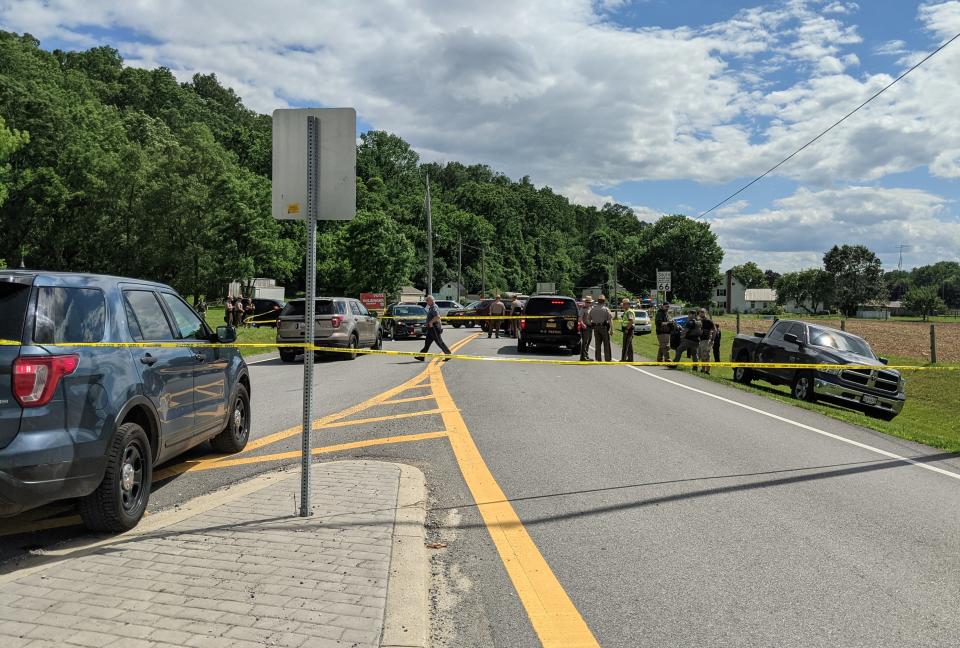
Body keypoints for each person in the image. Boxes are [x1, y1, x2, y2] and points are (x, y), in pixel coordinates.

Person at [415, 295, 451, 361]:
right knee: (427, 343)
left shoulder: (434, 307)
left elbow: (437, 317)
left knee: (439, 342)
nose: (426, 302)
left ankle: (448, 354)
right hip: (431, 328)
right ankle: (421, 356)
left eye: (427, 300)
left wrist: (431, 322)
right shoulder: (431, 307)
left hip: (434, 327)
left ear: (431, 300)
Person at [589, 294, 613, 362]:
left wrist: (591, 325)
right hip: (604, 328)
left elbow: (588, 319)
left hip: (596, 328)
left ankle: (598, 358)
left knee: (597, 344)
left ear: (598, 301)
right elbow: (610, 320)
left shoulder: (593, 309)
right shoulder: (606, 309)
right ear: (604, 301)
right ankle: (607, 359)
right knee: (606, 344)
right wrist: (611, 329)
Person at [698, 308, 715, 374]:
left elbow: (715, 330)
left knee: (706, 356)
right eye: (700, 312)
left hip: (706, 340)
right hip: (700, 340)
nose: (701, 313)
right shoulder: (699, 321)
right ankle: (703, 369)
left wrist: (712, 340)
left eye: (702, 312)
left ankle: (707, 371)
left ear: (705, 313)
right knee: (702, 355)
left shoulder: (709, 321)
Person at [620, 298, 635, 363]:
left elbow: (631, 321)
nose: (622, 305)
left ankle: (623, 359)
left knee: (625, 345)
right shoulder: (627, 311)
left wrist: (626, 329)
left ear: (627, 305)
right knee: (629, 345)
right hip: (628, 330)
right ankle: (630, 359)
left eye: (623, 304)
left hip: (628, 330)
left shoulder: (629, 311)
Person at [578, 296, 594, 361]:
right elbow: (579, 318)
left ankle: (586, 355)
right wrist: (582, 324)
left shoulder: (591, 308)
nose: (588, 303)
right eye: (587, 302)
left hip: (590, 327)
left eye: (589, 302)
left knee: (588, 341)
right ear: (585, 302)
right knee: (585, 342)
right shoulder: (583, 309)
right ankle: (583, 357)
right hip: (585, 327)